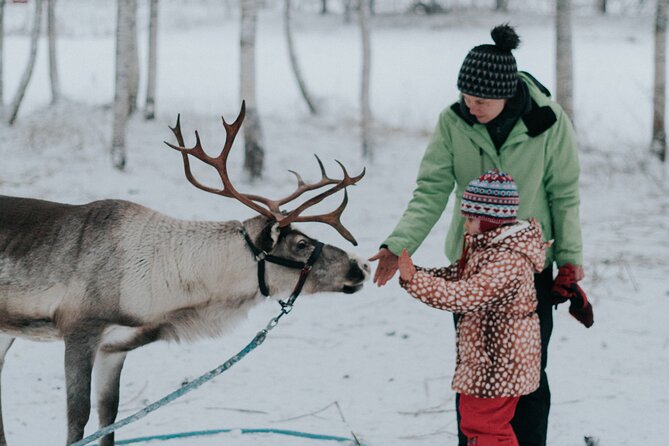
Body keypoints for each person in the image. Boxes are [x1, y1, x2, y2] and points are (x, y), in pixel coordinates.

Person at [369, 24, 593, 446]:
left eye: (481, 100)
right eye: (466, 98)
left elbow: (564, 194)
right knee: (475, 372)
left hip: (528, 266)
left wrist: (570, 260)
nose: (471, 107)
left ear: (507, 93)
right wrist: (398, 246)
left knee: (527, 372)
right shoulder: (453, 122)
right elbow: (431, 189)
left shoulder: (547, 122)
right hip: (471, 263)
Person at [398, 169, 547, 446]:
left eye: (469, 218)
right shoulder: (489, 250)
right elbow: (458, 277)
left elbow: (466, 295)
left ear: (490, 221)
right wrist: (415, 273)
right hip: (489, 360)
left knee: (485, 426)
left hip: (500, 361)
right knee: (479, 423)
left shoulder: (508, 260)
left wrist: (415, 281)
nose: (464, 225)